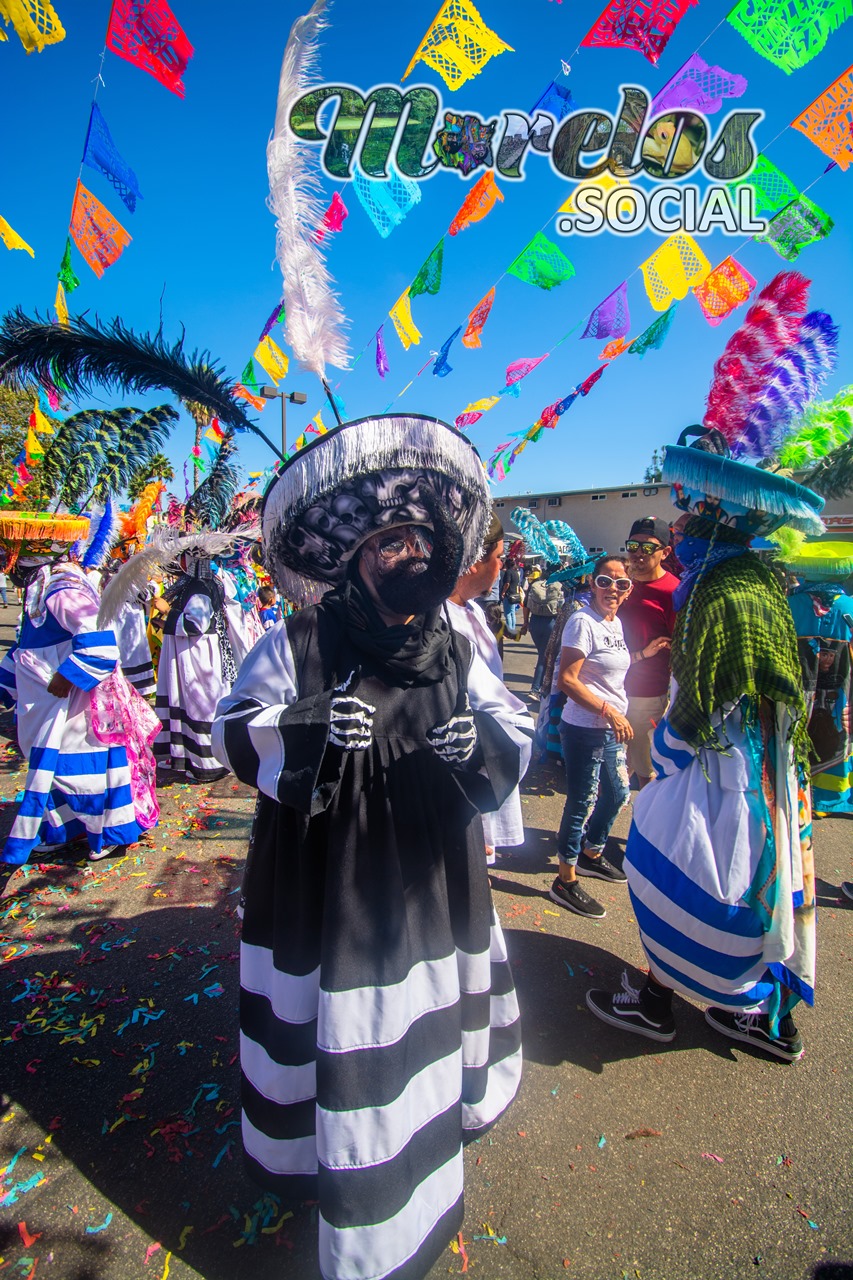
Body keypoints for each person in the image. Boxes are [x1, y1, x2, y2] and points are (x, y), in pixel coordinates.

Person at [211, 415, 532, 1280]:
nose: (408, 553)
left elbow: (512, 723)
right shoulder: (299, 639)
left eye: (420, 538)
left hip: (432, 874)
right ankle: (329, 1175)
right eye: (388, 538)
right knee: (335, 1020)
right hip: (327, 881)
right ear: (353, 553)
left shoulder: (461, 640)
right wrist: (306, 724)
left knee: (420, 1018)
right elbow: (232, 731)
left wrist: (481, 742)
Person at [586, 429, 822, 1062]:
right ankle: (744, 1010)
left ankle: (684, 1004)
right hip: (748, 766)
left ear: (718, 519)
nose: (678, 527)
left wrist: (665, 753)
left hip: (724, 770)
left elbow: (707, 702)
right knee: (745, 886)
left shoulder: (724, 589)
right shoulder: (743, 577)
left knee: (684, 868)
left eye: (690, 515)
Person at [0, 556, 159, 866]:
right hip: (45, 703)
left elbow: (100, 644)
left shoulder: (62, 587)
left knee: (79, 767)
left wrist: (68, 676)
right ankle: (66, 828)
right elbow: (27, 643)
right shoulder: (41, 584)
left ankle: (107, 832)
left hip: (73, 704)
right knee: (54, 766)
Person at [550, 556, 667, 919]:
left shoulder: (612, 622)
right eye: (605, 582)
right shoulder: (581, 621)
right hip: (585, 728)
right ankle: (565, 880)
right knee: (581, 802)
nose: (612, 590)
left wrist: (644, 654)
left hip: (610, 729)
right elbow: (567, 680)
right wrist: (611, 711)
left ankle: (591, 854)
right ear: (592, 583)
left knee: (617, 793)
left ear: (629, 588)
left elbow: (610, 664)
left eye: (621, 584)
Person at [447, 510, 528, 860]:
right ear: (472, 564)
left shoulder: (473, 610)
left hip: (488, 756)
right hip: (467, 764)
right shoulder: (440, 618)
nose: (501, 568)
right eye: (497, 558)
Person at [784, 541, 853, 817]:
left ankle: (798, 793)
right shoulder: (849, 606)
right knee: (836, 734)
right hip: (839, 695)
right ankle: (829, 797)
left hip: (796, 694)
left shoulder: (788, 604)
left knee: (795, 740)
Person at [153, 554, 235, 782]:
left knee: (200, 708)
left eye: (182, 557)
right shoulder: (196, 585)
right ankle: (193, 760)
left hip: (198, 661)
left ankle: (206, 765)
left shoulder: (199, 588)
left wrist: (167, 612)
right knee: (197, 707)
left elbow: (195, 624)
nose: (178, 561)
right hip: (193, 656)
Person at [619, 516, 677, 788]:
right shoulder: (620, 584)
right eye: (633, 546)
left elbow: (680, 645)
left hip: (646, 693)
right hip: (609, 688)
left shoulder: (674, 592)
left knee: (646, 770)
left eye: (648, 548)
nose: (638, 553)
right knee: (616, 767)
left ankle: (648, 828)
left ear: (665, 552)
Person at [521, 561, 564, 695]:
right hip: (551, 621)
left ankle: (541, 686)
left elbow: (526, 605)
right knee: (544, 656)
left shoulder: (536, 584)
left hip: (535, 621)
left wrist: (526, 623)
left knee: (543, 653)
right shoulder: (560, 585)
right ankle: (536, 688)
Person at [499, 544, 523, 636]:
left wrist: (503, 592)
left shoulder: (508, 572)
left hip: (509, 594)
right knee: (512, 613)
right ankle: (512, 629)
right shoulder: (516, 572)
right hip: (515, 594)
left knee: (508, 614)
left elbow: (507, 583)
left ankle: (509, 631)